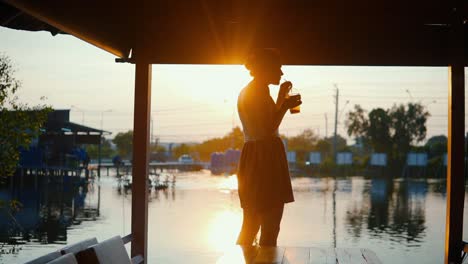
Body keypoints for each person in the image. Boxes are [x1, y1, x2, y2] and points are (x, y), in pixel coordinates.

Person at [236, 48, 302, 246]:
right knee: (270, 225)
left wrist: (282, 96)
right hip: (265, 156)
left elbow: (267, 121)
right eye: (278, 68)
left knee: (251, 224)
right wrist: (284, 106)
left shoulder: (254, 90)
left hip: (254, 156)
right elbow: (267, 128)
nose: (281, 73)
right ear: (266, 68)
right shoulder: (256, 91)